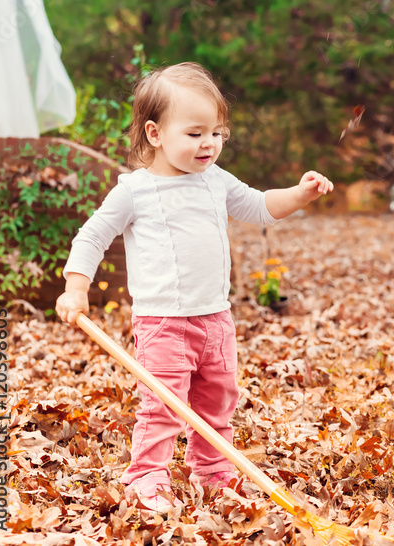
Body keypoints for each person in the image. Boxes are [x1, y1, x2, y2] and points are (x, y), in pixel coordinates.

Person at [55, 62, 334, 512]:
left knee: (217, 400)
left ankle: (212, 471)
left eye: (217, 132)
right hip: (163, 321)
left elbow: (261, 206)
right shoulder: (136, 190)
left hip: (216, 318)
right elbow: (92, 236)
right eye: (195, 133)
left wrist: (300, 194)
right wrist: (75, 287)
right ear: (155, 133)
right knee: (163, 405)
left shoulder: (216, 182)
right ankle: (146, 477)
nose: (209, 143)